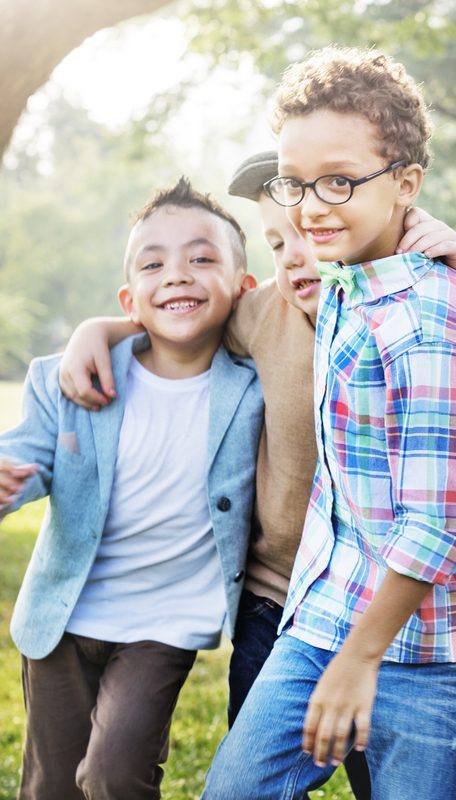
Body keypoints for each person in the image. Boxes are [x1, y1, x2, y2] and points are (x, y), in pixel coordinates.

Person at [57, 150, 456, 798]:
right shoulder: (263, 315)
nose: (292, 255)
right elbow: (182, 316)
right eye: (275, 241)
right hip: (282, 609)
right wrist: (100, 328)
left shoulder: (420, 313)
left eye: (306, 236)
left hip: (401, 607)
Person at [200, 45, 456, 798]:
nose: (310, 205)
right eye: (296, 182)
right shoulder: (345, 283)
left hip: (429, 650)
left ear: (407, 184)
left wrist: (360, 659)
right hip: (326, 614)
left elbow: (436, 523)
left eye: (339, 181)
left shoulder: (432, 317)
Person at [0, 178, 264, 799]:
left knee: (115, 774)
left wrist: (105, 324)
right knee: (51, 789)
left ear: (244, 289)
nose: (177, 275)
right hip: (63, 616)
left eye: (202, 259)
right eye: (154, 263)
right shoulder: (68, 376)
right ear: (130, 298)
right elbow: (29, 455)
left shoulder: (253, 391)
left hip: (164, 623)